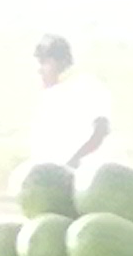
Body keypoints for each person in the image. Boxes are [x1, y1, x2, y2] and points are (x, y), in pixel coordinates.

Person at [30, 35, 110, 177]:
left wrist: (73, 162)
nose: (40, 70)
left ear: (62, 62)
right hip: (54, 177)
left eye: (45, 62)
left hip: (84, 177)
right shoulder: (50, 95)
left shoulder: (86, 86)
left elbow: (101, 130)